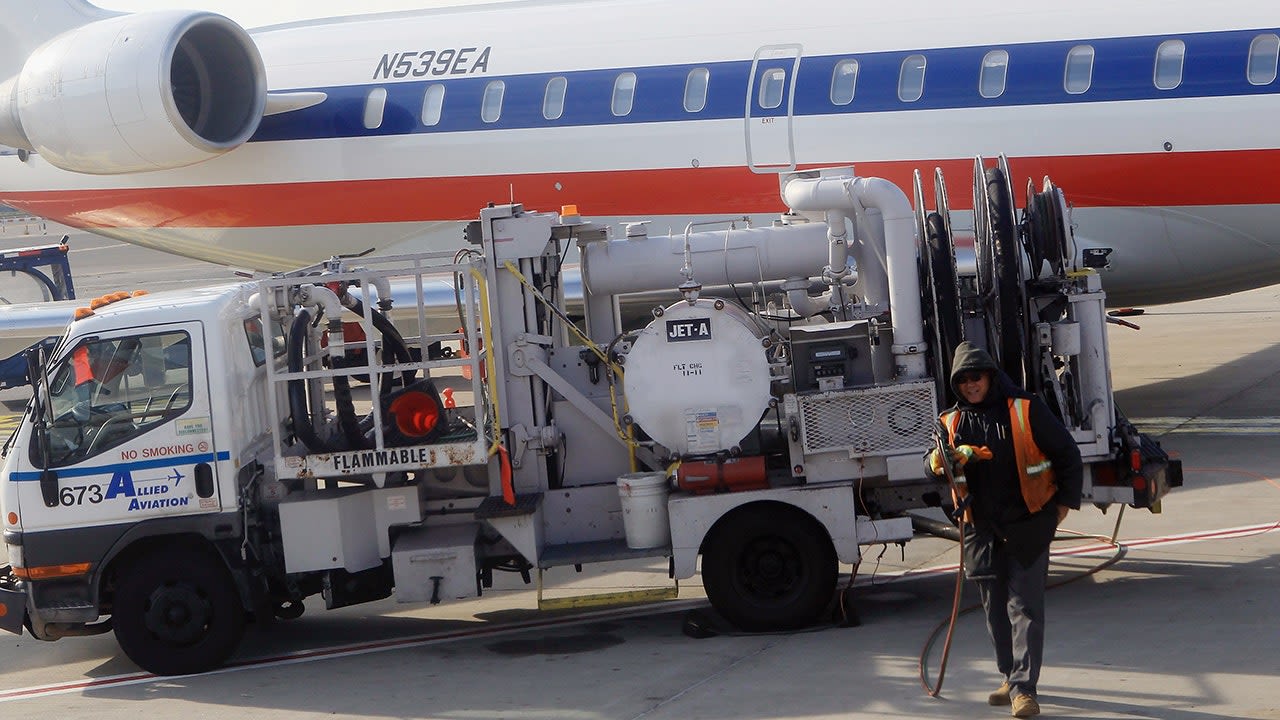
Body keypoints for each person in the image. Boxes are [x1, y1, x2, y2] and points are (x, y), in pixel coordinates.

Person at [928, 341, 1082, 718]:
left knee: (1024, 608)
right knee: (994, 610)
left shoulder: (1025, 410)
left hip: (1027, 523)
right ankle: (1009, 676)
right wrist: (939, 460)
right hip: (981, 529)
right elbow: (934, 464)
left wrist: (1061, 508)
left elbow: (1068, 457)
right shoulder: (950, 421)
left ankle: (1025, 689)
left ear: (990, 377)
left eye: (975, 377)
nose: (970, 385)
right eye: (962, 380)